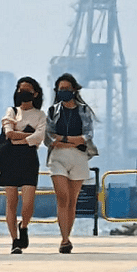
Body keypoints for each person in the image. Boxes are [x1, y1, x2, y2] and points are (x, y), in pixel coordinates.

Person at [45, 73, 95, 254]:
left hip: (79, 158)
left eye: (67, 89)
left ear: (74, 89)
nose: (63, 92)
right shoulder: (52, 111)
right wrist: (73, 140)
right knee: (62, 198)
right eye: (60, 89)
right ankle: (64, 239)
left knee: (72, 201)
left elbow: (87, 137)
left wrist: (65, 139)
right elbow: (49, 138)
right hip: (57, 157)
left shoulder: (84, 110)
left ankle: (67, 234)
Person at [0, 76, 46, 254]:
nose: (23, 92)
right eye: (20, 89)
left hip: (29, 159)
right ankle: (14, 240)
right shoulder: (11, 111)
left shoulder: (40, 115)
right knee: (11, 202)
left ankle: (24, 225)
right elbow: (9, 133)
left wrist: (22, 138)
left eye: (27, 89)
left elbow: (39, 137)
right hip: (10, 159)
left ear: (35, 93)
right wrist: (27, 137)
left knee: (28, 202)